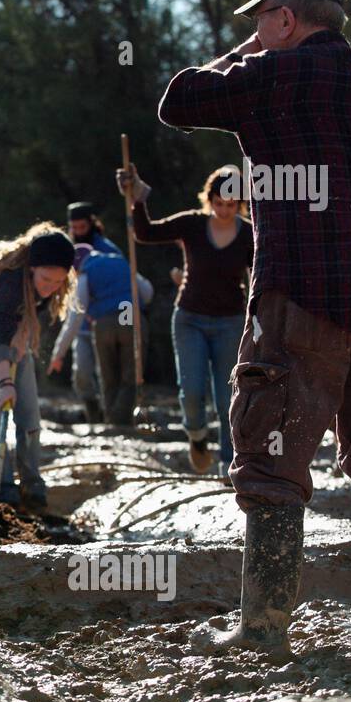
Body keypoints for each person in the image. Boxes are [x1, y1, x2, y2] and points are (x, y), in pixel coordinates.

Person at [159, 0, 351, 653]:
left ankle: (263, 631)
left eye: (262, 20)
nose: (256, 33)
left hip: (300, 305)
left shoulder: (264, 76)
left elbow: (178, 100)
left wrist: (248, 52)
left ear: (284, 18)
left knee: (270, 463)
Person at [120, 163, 254, 474]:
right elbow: (145, 233)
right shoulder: (193, 224)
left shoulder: (249, 233)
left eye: (231, 205)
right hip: (190, 318)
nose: (223, 210)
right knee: (191, 391)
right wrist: (138, 198)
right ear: (209, 200)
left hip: (230, 321)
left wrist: (258, 314)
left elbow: (258, 275)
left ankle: (227, 462)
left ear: (241, 204)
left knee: (226, 398)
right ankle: (196, 436)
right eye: (218, 204)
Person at [0, 225, 75, 514]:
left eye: (58, 281)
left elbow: (25, 321)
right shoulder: (10, 279)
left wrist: (20, 343)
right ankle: (3, 491)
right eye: (45, 279)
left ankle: (33, 487)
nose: (50, 286)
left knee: (30, 414)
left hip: (12, 334)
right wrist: (6, 381)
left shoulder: (53, 287)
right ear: (32, 268)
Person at [49, 245, 152, 426]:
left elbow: (76, 315)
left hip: (104, 322)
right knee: (130, 375)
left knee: (109, 378)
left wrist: (59, 354)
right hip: (128, 313)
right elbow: (147, 292)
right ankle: (122, 422)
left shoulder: (86, 272)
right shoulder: (120, 261)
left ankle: (113, 422)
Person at [66, 202, 122, 423]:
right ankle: (93, 413)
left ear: (91, 224)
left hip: (105, 321)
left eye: (82, 226)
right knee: (81, 372)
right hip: (80, 324)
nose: (79, 231)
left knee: (107, 374)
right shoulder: (68, 249)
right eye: (75, 227)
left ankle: (112, 418)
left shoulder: (108, 250)